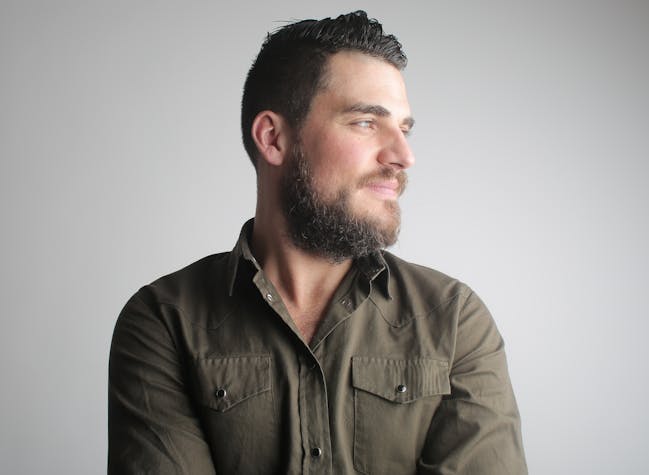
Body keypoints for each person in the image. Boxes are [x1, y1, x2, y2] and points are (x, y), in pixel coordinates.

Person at [108, 10, 527, 474]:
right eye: (367, 122)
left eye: (404, 129)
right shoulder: (165, 322)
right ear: (273, 138)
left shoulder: (453, 321)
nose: (402, 156)